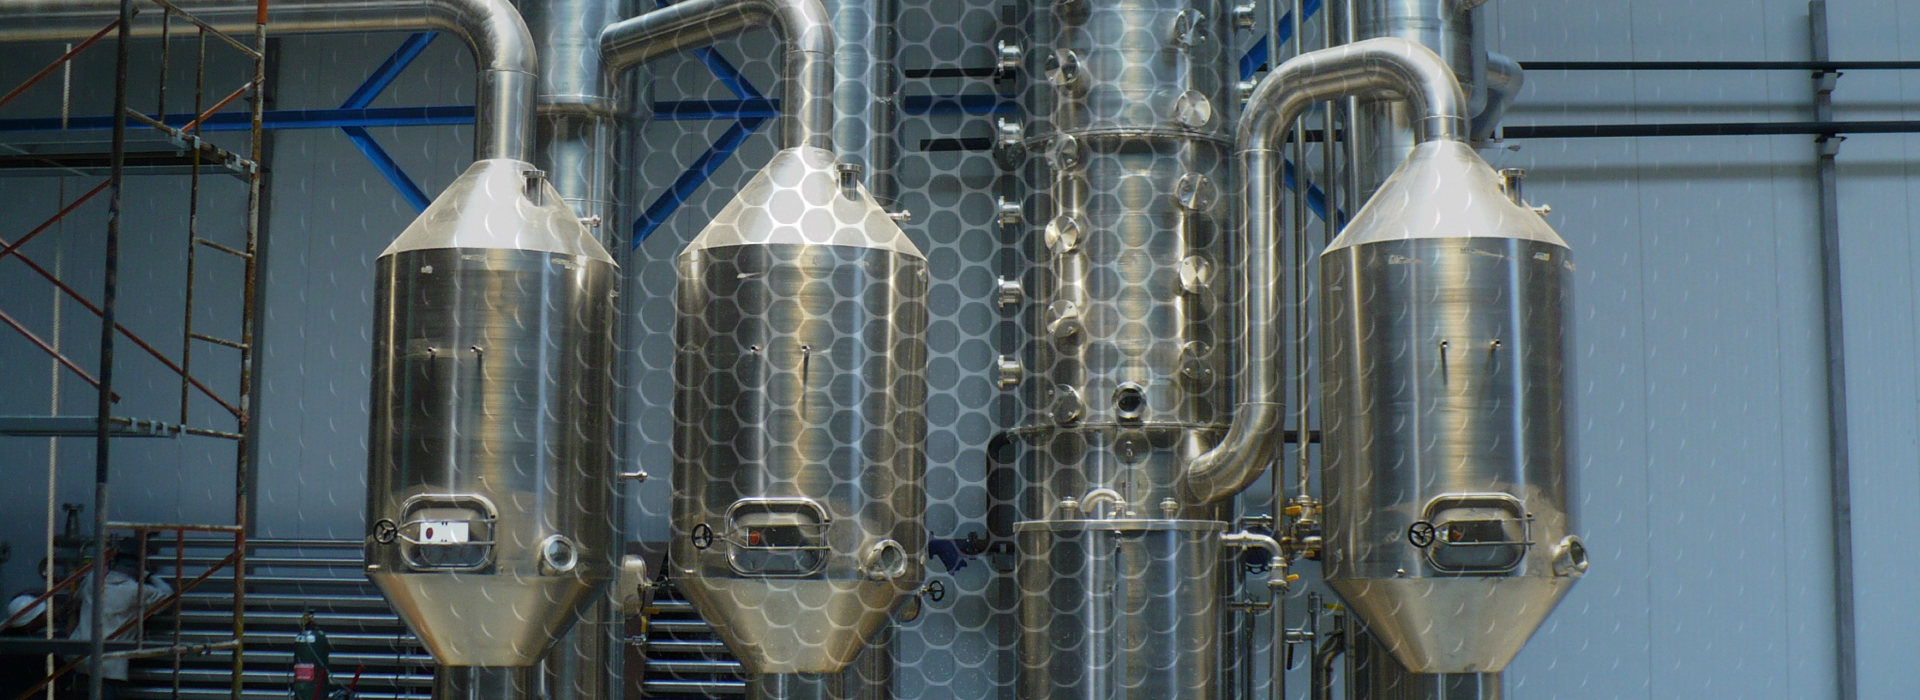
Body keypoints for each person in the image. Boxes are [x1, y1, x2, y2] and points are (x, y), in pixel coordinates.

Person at [71, 546, 171, 700]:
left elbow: (76, 600)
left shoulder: (92, 579)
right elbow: (168, 597)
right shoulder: (135, 590)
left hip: (80, 655)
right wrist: (149, 576)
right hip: (109, 663)